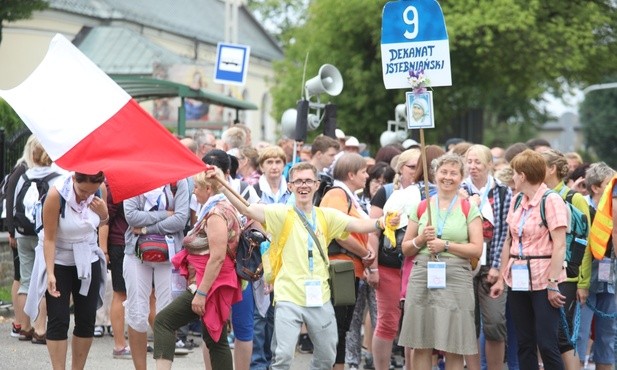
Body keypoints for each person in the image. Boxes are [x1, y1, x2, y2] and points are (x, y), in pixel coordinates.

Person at [207, 161, 391, 370]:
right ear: (290, 186)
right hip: (288, 296)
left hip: (319, 297)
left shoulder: (326, 216)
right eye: (298, 181)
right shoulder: (281, 213)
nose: (303, 185)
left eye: (308, 181)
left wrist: (382, 222)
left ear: (316, 185)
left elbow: (358, 225)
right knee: (283, 357)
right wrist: (221, 185)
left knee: (326, 357)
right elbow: (247, 208)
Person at [399, 153, 483, 370]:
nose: (448, 177)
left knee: (454, 342)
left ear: (461, 177)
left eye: (454, 173)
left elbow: (476, 249)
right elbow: (406, 248)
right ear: (435, 175)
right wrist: (420, 239)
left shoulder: (468, 208)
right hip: (423, 273)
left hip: (456, 275)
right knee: (421, 340)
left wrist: (445, 245)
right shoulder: (421, 206)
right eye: (443, 172)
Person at [153, 171, 242, 370]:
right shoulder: (220, 207)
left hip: (210, 282)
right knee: (215, 339)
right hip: (213, 280)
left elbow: (217, 257)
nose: (193, 192)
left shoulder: (216, 213)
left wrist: (201, 293)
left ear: (208, 189)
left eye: (196, 187)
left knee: (164, 322)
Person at [490, 149, 567, 370]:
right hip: (518, 277)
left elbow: (560, 244)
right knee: (524, 342)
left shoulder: (551, 200)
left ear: (522, 175)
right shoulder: (516, 200)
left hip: (544, 278)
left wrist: (553, 283)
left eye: (514, 173)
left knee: (547, 343)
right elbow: (509, 241)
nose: (512, 177)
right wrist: (501, 280)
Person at [25, 171, 109, 370]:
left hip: (88, 258)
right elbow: (49, 238)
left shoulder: (98, 191)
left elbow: (101, 224)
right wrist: (51, 272)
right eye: (81, 190)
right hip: (59, 259)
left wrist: (104, 213)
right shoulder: (56, 195)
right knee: (58, 320)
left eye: (90, 192)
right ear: (73, 179)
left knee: (87, 320)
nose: (84, 195)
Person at [366, 147, 426, 370]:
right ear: (400, 168)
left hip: (418, 264)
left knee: (414, 324)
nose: (416, 171)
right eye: (412, 166)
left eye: (420, 167)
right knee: (388, 321)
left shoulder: (428, 193)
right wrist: (372, 267)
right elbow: (372, 231)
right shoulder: (386, 192)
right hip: (390, 264)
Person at [123, 179, 190, 370]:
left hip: (170, 253)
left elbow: (180, 219)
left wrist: (146, 228)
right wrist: (165, 214)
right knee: (136, 311)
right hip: (135, 251)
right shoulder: (134, 178)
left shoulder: (180, 180)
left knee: (167, 313)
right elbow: (131, 217)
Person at [320, 153, 374, 370]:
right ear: (351, 174)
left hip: (348, 268)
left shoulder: (348, 195)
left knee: (341, 326)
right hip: (340, 268)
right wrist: (364, 252)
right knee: (337, 326)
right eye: (363, 172)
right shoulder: (337, 194)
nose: (367, 176)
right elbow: (339, 232)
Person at [461, 144, 512, 370]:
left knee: (494, 323)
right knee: (467, 324)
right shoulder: (459, 190)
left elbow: (504, 232)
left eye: (478, 162)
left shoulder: (502, 191)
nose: (472, 167)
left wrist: (497, 267)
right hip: (464, 264)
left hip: (491, 262)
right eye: (469, 162)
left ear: (490, 165)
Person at [540, 148, 591, 370]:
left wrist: (583, 282)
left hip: (567, 277)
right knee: (547, 336)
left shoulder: (573, 197)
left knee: (563, 336)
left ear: (551, 169)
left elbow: (584, 241)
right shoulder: (536, 196)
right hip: (543, 274)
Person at [576, 162, 617, 370]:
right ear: (596, 187)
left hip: (610, 275)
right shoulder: (582, 207)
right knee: (581, 332)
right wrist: (580, 283)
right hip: (586, 277)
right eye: (609, 184)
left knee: (609, 332)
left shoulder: (615, 207)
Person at [5, 135, 35, 340]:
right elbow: (9, 199)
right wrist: (11, 230)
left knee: (24, 277)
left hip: (23, 231)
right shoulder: (21, 169)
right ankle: (19, 321)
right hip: (20, 231)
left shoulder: (29, 169)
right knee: (20, 276)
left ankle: (25, 322)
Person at [97, 182, 131, 358]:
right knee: (120, 293)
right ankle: (119, 345)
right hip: (120, 244)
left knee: (136, 295)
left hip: (131, 244)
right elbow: (105, 219)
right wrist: (104, 250)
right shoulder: (116, 183)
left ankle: (133, 342)